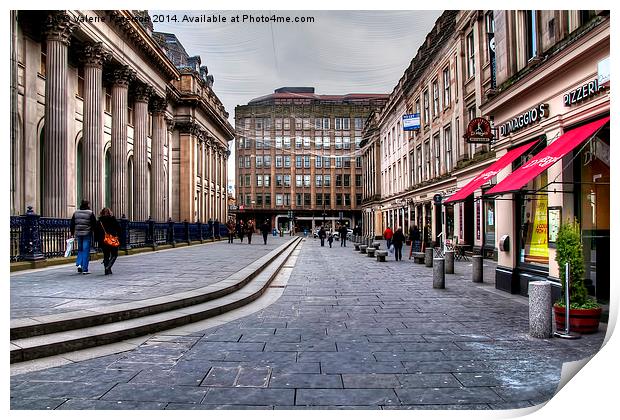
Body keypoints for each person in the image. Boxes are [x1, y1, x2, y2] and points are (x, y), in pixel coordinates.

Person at [70, 200, 97, 274]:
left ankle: (79, 264)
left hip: (78, 233)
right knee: (85, 251)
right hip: (87, 233)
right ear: (87, 205)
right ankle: (85, 269)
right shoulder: (90, 213)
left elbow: (72, 223)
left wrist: (72, 232)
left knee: (80, 249)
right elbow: (94, 224)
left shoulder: (76, 212)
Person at [97, 207, 121, 275]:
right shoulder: (113, 219)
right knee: (114, 254)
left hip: (103, 240)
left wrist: (98, 240)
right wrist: (118, 236)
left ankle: (107, 269)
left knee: (106, 255)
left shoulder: (100, 221)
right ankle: (108, 267)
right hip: (112, 240)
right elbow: (119, 229)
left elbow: (96, 231)